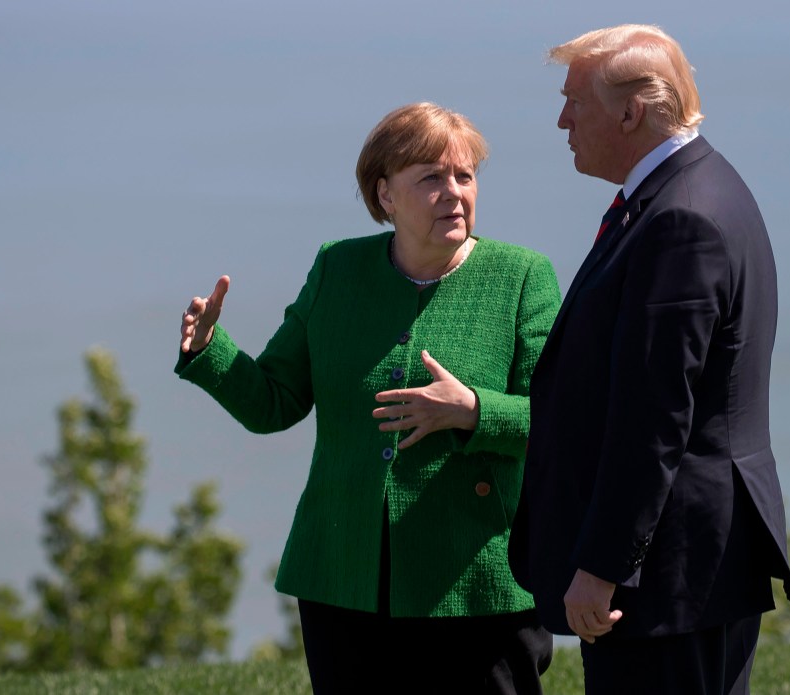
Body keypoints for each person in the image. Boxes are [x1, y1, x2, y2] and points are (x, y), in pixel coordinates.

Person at [176, 102, 560, 694]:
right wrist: (210, 352)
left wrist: (473, 412)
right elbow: (274, 402)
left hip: (475, 584)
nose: (454, 194)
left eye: (465, 176)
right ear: (385, 196)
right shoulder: (338, 269)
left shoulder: (522, 278)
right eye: (431, 178)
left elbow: (562, 423)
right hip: (344, 578)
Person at [508, 24, 790, 695]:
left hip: (666, 578)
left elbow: (655, 415)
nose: (561, 120)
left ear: (629, 112)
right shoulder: (696, 188)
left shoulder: (680, 219)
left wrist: (603, 564)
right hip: (687, 569)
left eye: (574, 102)